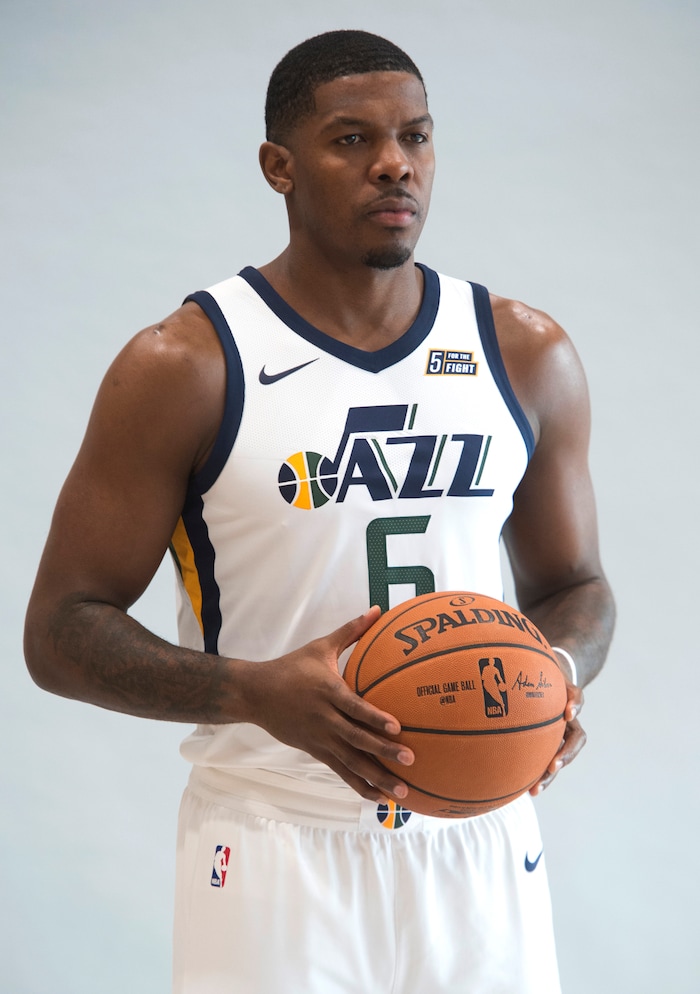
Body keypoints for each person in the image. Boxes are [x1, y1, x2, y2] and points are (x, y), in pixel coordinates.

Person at [24, 29, 615, 994]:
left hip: (480, 835)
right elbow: (58, 633)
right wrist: (252, 690)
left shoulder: (523, 351)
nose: (395, 164)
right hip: (272, 840)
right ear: (279, 167)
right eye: (352, 140)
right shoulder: (188, 365)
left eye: (417, 138)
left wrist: (553, 673)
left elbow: (579, 586)